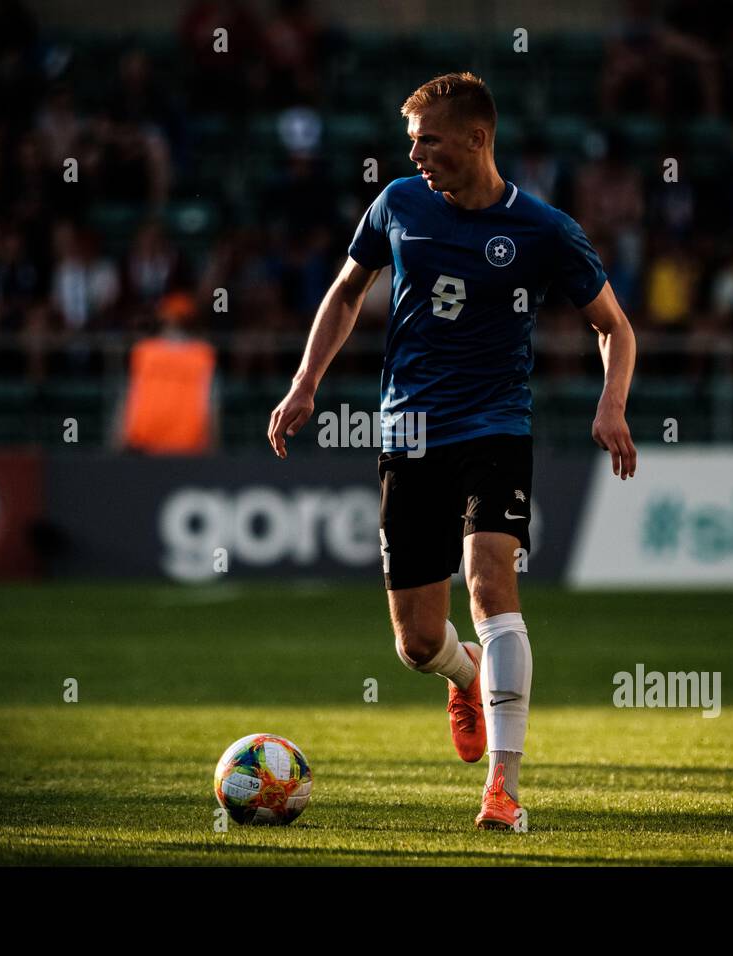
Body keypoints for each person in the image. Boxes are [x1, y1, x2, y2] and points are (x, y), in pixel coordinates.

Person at [267, 72, 637, 830]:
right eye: (411, 143)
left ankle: (503, 787)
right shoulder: (397, 204)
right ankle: (462, 675)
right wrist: (306, 382)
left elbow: (614, 326)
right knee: (416, 641)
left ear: (476, 138)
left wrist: (611, 404)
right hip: (407, 431)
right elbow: (344, 292)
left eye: (428, 141)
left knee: (491, 579)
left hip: (495, 427)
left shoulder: (543, 229)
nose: (416, 155)